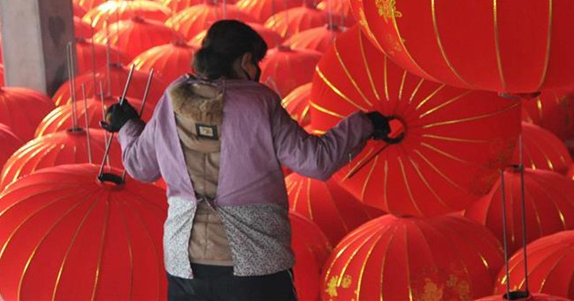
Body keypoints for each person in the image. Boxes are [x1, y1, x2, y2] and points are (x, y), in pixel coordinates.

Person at [102, 20, 392, 301]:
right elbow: (315, 162)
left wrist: (128, 126)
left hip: (186, 264)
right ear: (245, 61)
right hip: (254, 264)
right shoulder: (259, 102)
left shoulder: (173, 98)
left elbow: (141, 167)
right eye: (256, 64)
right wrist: (364, 124)